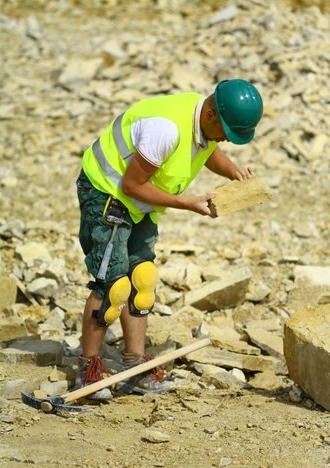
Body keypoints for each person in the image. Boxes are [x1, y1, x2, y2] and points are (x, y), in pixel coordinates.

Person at [75, 78, 263, 400]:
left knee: (141, 279)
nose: (226, 141)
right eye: (226, 132)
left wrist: (235, 174)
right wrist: (188, 204)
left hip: (140, 199)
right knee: (113, 285)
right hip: (107, 192)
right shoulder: (166, 129)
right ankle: (87, 367)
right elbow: (132, 185)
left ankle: (136, 366)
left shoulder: (202, 121)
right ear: (210, 116)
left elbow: (209, 152)